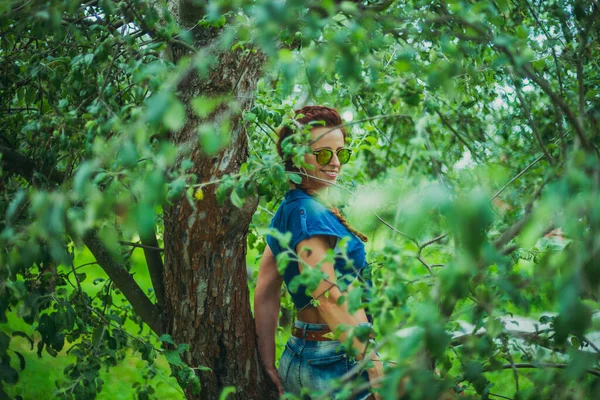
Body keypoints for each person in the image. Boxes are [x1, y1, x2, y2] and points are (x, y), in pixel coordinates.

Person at [254, 106, 383, 399]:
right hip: (333, 363)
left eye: (341, 153)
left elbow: (265, 290)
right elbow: (328, 297)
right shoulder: (310, 214)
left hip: (301, 354)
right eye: (324, 153)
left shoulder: (290, 209)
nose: (335, 162)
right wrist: (374, 368)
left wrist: (268, 361)